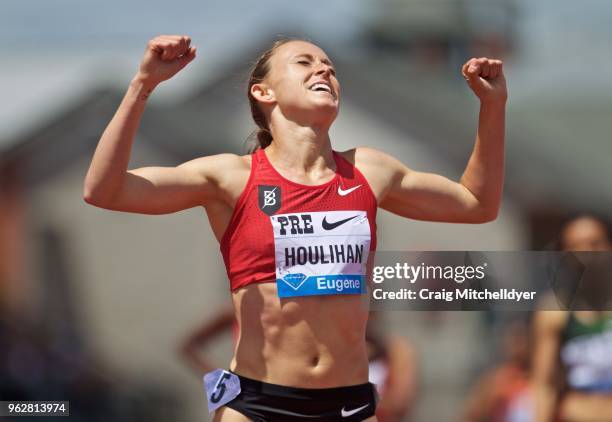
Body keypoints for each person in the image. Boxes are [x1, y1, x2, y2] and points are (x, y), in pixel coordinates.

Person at [83, 34, 506, 421]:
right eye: (304, 63)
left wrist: (492, 107)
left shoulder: (370, 171)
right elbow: (105, 191)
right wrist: (143, 85)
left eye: (330, 66)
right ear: (263, 92)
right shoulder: (230, 177)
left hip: (349, 405)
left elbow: (476, 204)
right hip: (257, 404)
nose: (324, 69)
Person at [180, 308, 417, 421]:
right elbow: (189, 346)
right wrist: (224, 386)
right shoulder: (241, 308)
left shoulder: (389, 348)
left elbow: (399, 403)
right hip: (252, 394)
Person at [532, 214, 612, 422]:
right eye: (576, 245)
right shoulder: (554, 313)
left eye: (595, 243)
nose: (586, 252)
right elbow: (545, 384)